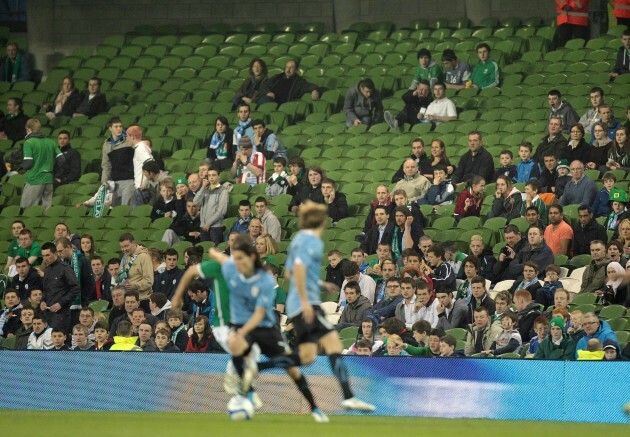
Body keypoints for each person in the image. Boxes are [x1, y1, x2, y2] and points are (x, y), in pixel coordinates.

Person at [251, 202, 376, 411]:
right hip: (305, 304)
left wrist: (318, 284)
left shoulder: (299, 240)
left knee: (306, 357)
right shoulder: (312, 241)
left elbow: (292, 273)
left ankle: (255, 367)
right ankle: (348, 395)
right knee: (334, 345)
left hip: (299, 304)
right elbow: (298, 271)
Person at [212, 236, 330, 421]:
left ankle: (315, 408)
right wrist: (215, 253)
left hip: (266, 328)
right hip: (246, 325)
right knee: (237, 350)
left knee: (291, 368)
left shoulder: (265, 280)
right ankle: (249, 393)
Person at [19, 119, 64, 210]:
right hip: (48, 179)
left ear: (28, 130)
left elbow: (28, 163)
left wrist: (20, 168)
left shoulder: (29, 142)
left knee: (28, 209)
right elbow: (62, 159)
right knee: (46, 210)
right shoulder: (51, 142)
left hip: (34, 179)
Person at [100, 118, 135, 207]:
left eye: (120, 126)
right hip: (115, 182)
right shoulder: (106, 144)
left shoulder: (129, 140)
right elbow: (106, 165)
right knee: (116, 209)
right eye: (116, 127)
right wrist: (104, 180)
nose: (119, 128)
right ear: (110, 128)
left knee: (125, 208)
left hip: (129, 179)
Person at [193, 167, 228, 246]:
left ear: (218, 176)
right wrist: (202, 187)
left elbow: (222, 211)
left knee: (215, 252)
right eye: (209, 175)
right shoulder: (205, 189)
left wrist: (209, 223)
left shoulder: (223, 190)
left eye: (213, 175)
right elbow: (195, 202)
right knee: (205, 251)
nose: (211, 177)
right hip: (203, 226)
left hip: (215, 228)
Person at [117, 233, 153, 308]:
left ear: (134, 243)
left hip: (142, 300)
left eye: (126, 246)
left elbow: (149, 281)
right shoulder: (125, 258)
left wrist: (134, 285)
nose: (124, 249)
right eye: (122, 247)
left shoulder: (144, 257)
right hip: (128, 299)